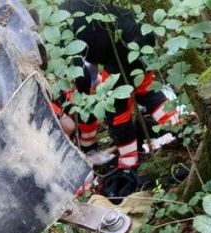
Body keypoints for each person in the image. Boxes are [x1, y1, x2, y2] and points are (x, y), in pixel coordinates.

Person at [57, 0, 181, 199]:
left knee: (116, 113)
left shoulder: (60, 27)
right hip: (139, 35)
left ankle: (128, 163)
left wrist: (86, 95)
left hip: (125, 46)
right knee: (144, 90)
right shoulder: (68, 10)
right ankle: (179, 127)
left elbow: (82, 78)